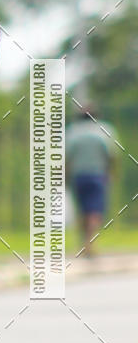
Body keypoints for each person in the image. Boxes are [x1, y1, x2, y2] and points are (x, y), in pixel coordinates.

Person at [66, 108, 117, 256]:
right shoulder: (104, 130)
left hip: (78, 176)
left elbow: (66, 158)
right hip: (98, 175)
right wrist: (112, 173)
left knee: (81, 210)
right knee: (94, 211)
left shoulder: (72, 132)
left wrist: (64, 176)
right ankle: (90, 243)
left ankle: (83, 244)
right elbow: (112, 155)